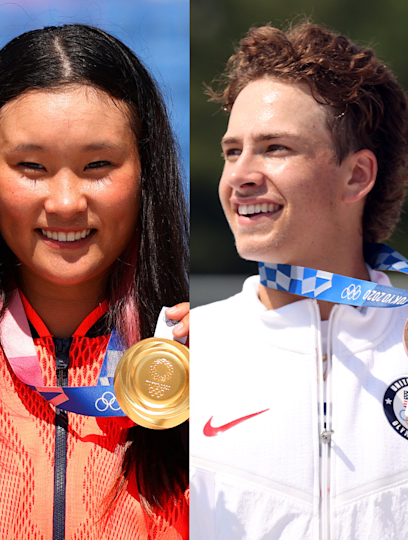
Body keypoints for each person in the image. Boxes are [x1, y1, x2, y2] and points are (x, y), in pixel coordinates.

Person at [0, 24, 189, 539]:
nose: (66, 201)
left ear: (146, 170)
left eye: (98, 165)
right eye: (31, 166)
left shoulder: (201, 369)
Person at [190, 21, 408, 539]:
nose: (240, 175)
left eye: (275, 148)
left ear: (356, 175)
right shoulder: (184, 354)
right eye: (231, 151)